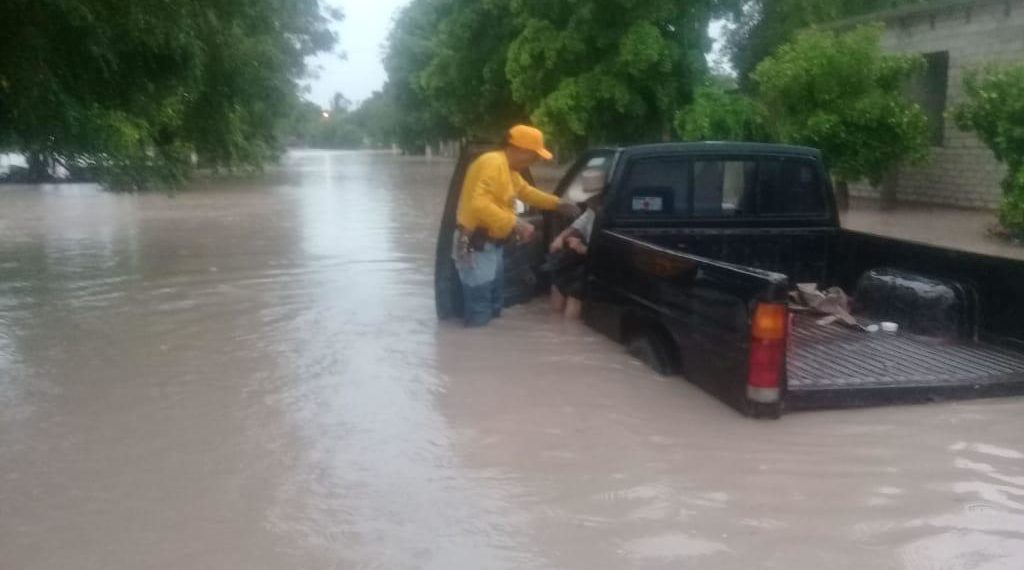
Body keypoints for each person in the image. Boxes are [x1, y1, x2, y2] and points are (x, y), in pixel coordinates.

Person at [452, 125, 578, 327]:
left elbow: (526, 192)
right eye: (533, 155)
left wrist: (557, 203)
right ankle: (476, 350)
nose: (535, 161)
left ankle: (488, 351)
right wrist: (517, 223)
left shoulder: (507, 169)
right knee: (480, 307)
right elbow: (479, 204)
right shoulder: (492, 163)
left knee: (495, 304)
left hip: (492, 246)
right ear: (518, 148)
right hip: (476, 244)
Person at [546, 168, 605, 319]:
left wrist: (581, 248)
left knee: (574, 292)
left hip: (598, 265)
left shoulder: (607, 214)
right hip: (584, 260)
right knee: (557, 283)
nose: (587, 202)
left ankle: (569, 328)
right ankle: (555, 328)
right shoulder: (591, 211)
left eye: (590, 198)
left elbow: (608, 252)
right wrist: (560, 238)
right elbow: (575, 227)